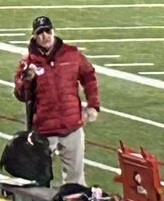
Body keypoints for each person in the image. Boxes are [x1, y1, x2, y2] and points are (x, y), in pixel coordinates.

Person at [13, 15, 100, 187]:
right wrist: (28, 78)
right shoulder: (28, 62)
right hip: (44, 130)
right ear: (34, 36)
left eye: (48, 31)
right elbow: (20, 94)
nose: (45, 36)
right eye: (40, 33)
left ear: (54, 31)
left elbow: (89, 76)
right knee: (40, 180)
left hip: (72, 126)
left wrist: (93, 105)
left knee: (76, 181)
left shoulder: (72, 54)